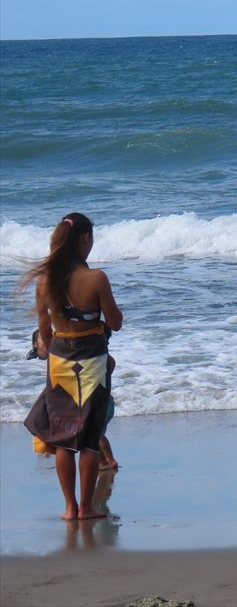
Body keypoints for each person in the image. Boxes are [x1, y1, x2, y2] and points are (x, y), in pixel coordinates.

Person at [18, 213, 123, 520]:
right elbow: (114, 323)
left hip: (59, 360)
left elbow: (44, 333)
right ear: (85, 239)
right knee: (89, 439)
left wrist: (60, 354)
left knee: (64, 438)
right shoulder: (96, 278)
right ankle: (86, 509)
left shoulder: (44, 279)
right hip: (92, 359)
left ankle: (69, 508)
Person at [28, 328, 119, 471]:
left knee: (94, 437)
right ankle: (104, 462)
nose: (49, 340)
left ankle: (109, 461)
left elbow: (110, 364)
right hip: (97, 401)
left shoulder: (75, 356)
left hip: (99, 403)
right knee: (93, 436)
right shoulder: (85, 355)